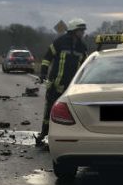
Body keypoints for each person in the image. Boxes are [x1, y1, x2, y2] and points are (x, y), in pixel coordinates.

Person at [35, 18, 88, 146]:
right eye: (80, 30)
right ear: (73, 30)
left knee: (70, 113)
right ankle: (44, 134)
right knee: (50, 112)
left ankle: (68, 137)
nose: (82, 33)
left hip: (72, 87)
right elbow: (47, 58)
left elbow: (85, 66)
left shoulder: (82, 47)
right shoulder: (60, 42)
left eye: (83, 30)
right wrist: (43, 73)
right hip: (55, 84)